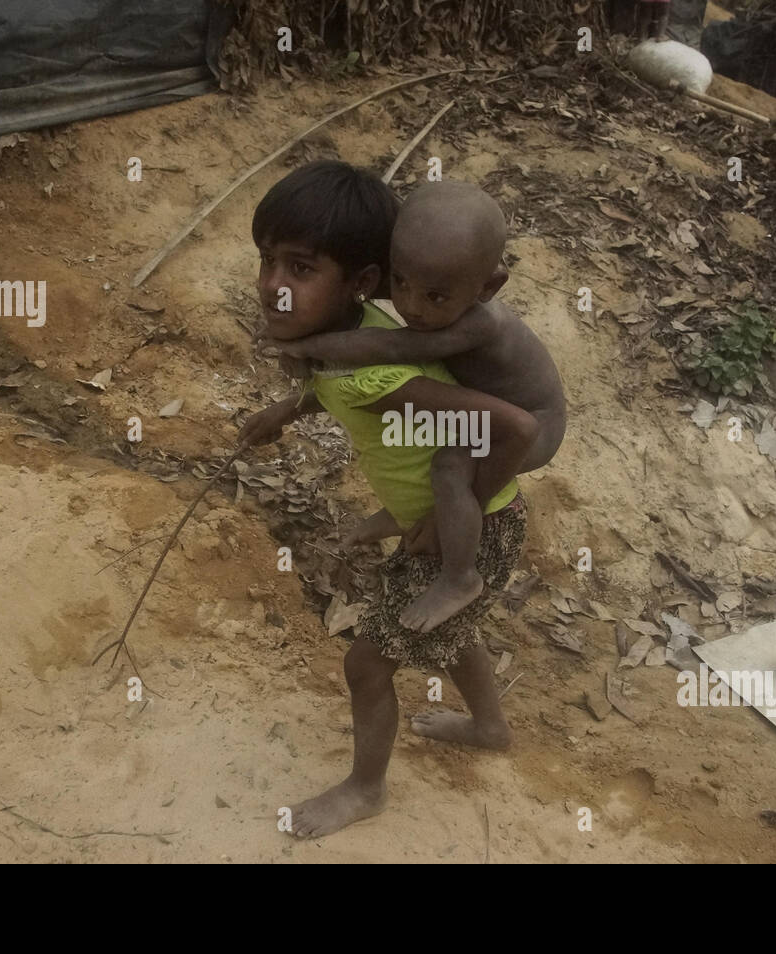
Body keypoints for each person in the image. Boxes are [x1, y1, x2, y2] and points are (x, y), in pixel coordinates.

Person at [239, 161, 536, 838]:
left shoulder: (380, 373)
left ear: (362, 283)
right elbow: (335, 380)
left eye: (300, 269)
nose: (273, 288)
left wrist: (444, 516)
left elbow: (515, 427)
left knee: (366, 663)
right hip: (468, 519)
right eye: (267, 262)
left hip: (473, 526)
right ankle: (489, 726)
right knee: (447, 629)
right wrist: (287, 410)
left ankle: (365, 789)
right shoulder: (358, 336)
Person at [272, 181, 567, 633]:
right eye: (400, 282)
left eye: (434, 296)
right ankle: (422, 512)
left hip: (534, 427)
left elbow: (390, 346)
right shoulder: (435, 287)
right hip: (489, 413)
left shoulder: (477, 324)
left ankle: (458, 576)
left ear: (489, 287)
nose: (410, 305)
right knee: (429, 447)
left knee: (451, 466)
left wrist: (306, 344)